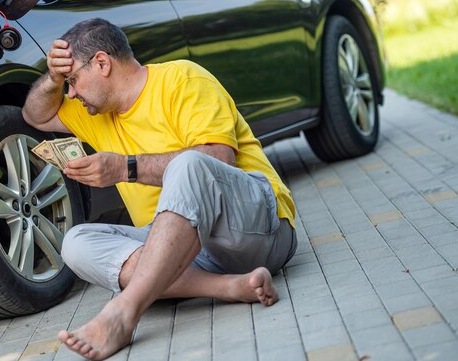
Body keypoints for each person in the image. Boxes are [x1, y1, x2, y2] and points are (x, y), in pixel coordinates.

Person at [22, 18, 297, 361]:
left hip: (257, 230)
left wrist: (125, 168)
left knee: (189, 163)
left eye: (73, 79)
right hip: (184, 250)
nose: (72, 93)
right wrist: (53, 77)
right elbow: (35, 115)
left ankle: (124, 312)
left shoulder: (182, 78)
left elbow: (217, 157)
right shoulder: (93, 113)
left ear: (103, 63)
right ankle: (229, 287)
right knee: (76, 244)